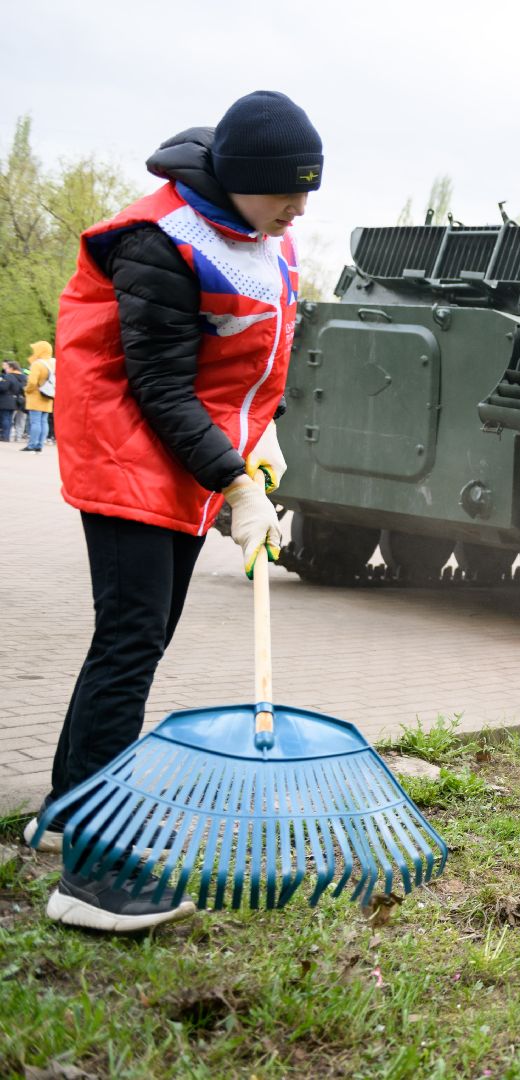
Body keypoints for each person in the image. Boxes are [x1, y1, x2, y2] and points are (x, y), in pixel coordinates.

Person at [25, 90, 320, 933]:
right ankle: (94, 877)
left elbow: (248, 359)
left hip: (186, 458)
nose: (301, 208)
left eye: (311, 191)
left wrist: (259, 440)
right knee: (129, 644)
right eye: (289, 190)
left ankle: (64, 810)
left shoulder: (263, 235)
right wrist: (234, 480)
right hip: (132, 455)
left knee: (131, 639)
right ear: (242, 178)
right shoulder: (160, 240)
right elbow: (155, 383)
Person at [20, 341, 55, 452]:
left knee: (35, 421)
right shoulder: (54, 363)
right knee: (44, 421)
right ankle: (40, 445)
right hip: (48, 395)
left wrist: (27, 390)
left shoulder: (37, 364)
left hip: (36, 396)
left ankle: (32, 444)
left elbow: (32, 382)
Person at [0, 361, 24, 442]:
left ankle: (5, 436)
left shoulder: (8, 376)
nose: (5, 369)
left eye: (7, 368)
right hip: (15, 400)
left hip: (6, 400)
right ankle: (7, 435)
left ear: (11, 368)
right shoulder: (22, 376)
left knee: (5, 418)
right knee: (9, 419)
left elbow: (3, 387)